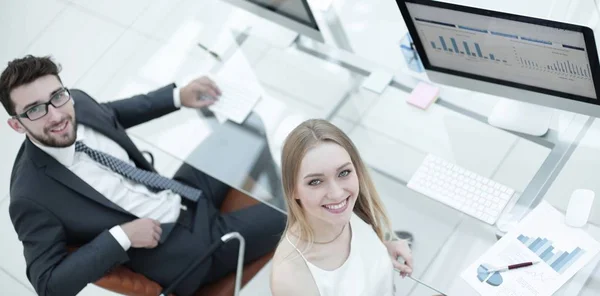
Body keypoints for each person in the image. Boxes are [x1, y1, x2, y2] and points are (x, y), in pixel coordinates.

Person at [1, 55, 286, 296]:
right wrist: (121, 237)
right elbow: (49, 284)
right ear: (16, 125)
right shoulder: (30, 196)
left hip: (177, 190)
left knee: (247, 128)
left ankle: (271, 187)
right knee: (295, 212)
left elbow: (110, 113)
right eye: (35, 109)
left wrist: (176, 97)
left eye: (57, 96)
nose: (56, 116)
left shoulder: (77, 103)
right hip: (179, 248)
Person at [270, 119, 415, 296]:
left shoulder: (351, 210)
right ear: (293, 190)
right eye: (315, 181)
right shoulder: (291, 279)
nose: (337, 194)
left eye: (344, 173)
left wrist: (385, 242)